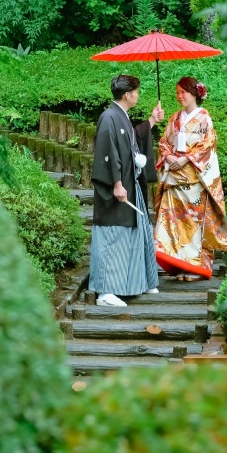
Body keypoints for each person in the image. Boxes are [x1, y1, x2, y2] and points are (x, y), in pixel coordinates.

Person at [154, 75, 227, 280]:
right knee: (173, 221)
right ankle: (180, 264)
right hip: (174, 178)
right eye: (177, 92)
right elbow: (164, 142)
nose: (179, 96)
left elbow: (208, 144)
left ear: (194, 93)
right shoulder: (175, 118)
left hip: (194, 179)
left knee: (193, 223)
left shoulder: (204, 118)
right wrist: (169, 156)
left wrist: (185, 159)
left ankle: (197, 268)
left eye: (183, 92)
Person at [89, 74, 162, 307]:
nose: (138, 95)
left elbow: (133, 139)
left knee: (137, 231)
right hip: (117, 190)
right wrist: (117, 184)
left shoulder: (121, 117)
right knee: (113, 236)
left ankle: (137, 282)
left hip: (131, 186)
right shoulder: (109, 117)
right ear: (128, 94)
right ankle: (105, 291)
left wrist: (151, 121)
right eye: (137, 92)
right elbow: (107, 152)